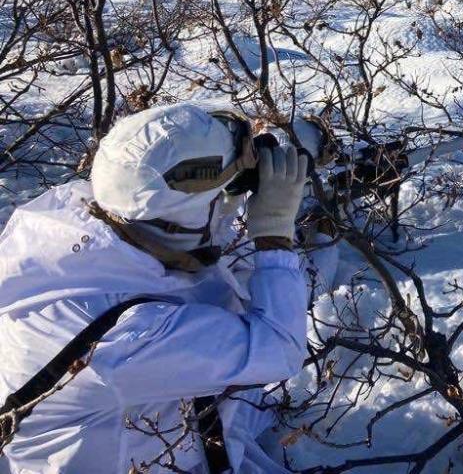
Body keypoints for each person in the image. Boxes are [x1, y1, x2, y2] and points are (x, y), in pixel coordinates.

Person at [0, 103, 331, 473]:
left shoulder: (78, 220)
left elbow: (188, 237)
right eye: (220, 195)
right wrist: (273, 234)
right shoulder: (129, 338)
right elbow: (279, 349)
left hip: (122, 418)